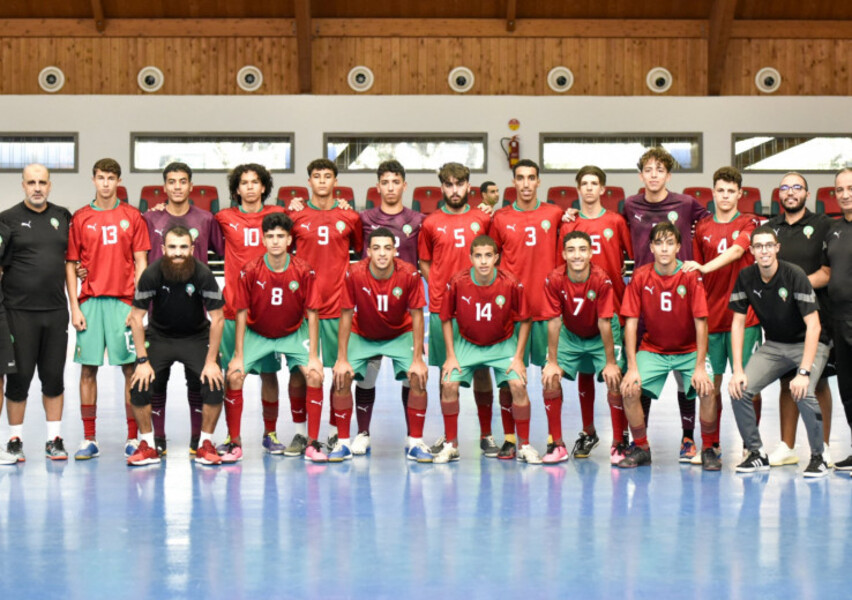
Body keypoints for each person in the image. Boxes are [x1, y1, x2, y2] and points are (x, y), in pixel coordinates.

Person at [622, 147, 711, 462]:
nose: (654, 174)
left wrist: (702, 266)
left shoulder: (686, 203)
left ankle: (689, 439)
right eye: (648, 169)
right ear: (641, 175)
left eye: (660, 169)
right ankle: (639, 444)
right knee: (637, 377)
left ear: (669, 175)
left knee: (684, 376)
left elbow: (713, 229)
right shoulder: (630, 205)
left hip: (679, 292)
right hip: (642, 293)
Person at [729, 226, 830, 478]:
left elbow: (814, 326)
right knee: (739, 389)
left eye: (768, 245)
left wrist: (804, 372)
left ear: (777, 248)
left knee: (802, 390)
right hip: (774, 344)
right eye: (758, 246)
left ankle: (819, 457)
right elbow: (738, 323)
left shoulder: (794, 275)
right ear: (751, 251)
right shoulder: (745, 277)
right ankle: (756, 454)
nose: (764, 250)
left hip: (809, 342)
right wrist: (738, 371)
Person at [66, 158, 150, 460]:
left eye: (111, 177)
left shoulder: (132, 216)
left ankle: (132, 436)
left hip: (124, 301)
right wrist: (74, 307)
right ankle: (89, 438)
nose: (105, 183)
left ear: (118, 181)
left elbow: (142, 263)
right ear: (93, 180)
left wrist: (138, 306)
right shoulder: (81, 217)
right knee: (88, 370)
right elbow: (71, 265)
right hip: (90, 302)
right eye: (100, 177)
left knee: (130, 369)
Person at [618, 222, 718, 470]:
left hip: (689, 350)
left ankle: (707, 448)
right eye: (659, 243)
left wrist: (700, 367)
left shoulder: (690, 276)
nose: (664, 249)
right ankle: (641, 447)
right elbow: (630, 323)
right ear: (651, 247)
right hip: (654, 349)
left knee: (707, 388)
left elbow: (701, 323)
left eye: (670, 243)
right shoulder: (641, 276)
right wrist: (631, 367)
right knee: (629, 388)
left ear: (678, 247)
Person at [434, 235, 541, 464]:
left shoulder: (510, 282)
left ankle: (525, 446)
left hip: (503, 344)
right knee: (448, 383)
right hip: (467, 344)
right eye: (478, 256)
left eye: (488, 256)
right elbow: (445, 318)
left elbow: (526, 319)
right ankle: (451, 445)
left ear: (496, 258)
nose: (483, 261)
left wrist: (519, 358)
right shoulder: (458, 281)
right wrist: (451, 356)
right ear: (471, 258)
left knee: (518, 385)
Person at [226, 213, 325, 461]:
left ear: (289, 239)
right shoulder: (250, 270)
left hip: (293, 332)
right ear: (263, 239)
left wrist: (313, 356)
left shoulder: (303, 270)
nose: (275, 241)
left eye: (280, 236)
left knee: (314, 374)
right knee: (234, 376)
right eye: (270, 236)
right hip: (257, 332)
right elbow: (240, 313)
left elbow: (313, 313)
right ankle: (235, 443)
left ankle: (312, 443)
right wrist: (238, 355)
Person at [143, 161, 224, 456]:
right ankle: (156, 440)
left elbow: (231, 251)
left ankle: (197, 440)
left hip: (196, 315)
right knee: (154, 383)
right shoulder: (149, 218)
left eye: (182, 181)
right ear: (164, 187)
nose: (177, 186)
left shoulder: (205, 219)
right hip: (158, 313)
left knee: (200, 381)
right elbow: (134, 255)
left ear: (191, 186)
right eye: (172, 181)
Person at [682, 166, 763, 462]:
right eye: (721, 190)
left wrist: (704, 266)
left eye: (732, 191)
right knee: (711, 386)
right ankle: (711, 445)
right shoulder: (702, 228)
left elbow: (738, 252)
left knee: (747, 385)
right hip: (712, 319)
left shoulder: (749, 222)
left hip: (746, 318)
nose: (726, 196)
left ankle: (750, 445)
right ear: (713, 192)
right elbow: (696, 273)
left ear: (740, 194)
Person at [126, 226, 225, 466]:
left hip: (196, 336)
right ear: (163, 249)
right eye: (172, 247)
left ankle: (205, 444)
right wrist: (142, 361)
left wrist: (211, 362)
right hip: (160, 336)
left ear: (192, 249)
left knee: (214, 383)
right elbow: (136, 318)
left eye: (183, 247)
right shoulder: (151, 273)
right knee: (139, 385)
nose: (178, 253)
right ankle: (149, 444)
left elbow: (218, 318)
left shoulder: (202, 274)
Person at [418, 163, 498, 457]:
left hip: (480, 307)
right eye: (448, 185)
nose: (454, 190)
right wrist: (439, 286)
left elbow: (493, 255)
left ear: (468, 186)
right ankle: (450, 437)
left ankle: (486, 434)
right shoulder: (431, 223)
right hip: (443, 309)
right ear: (442, 187)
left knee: (481, 370)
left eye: (459, 184)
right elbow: (425, 261)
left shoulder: (482, 218)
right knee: (446, 372)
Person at [332, 227, 431, 462]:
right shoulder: (354, 273)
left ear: (396, 250)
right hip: (363, 333)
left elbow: (417, 316)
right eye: (376, 248)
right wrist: (342, 358)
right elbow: (346, 314)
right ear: (368, 252)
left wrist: (418, 359)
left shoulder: (409, 274)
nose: (382, 254)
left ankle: (414, 440)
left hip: (399, 333)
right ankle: (346, 441)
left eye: (387, 248)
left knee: (417, 376)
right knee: (342, 376)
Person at [489, 159, 566, 459]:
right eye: (519, 178)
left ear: (538, 182)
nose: (525, 183)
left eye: (530, 178)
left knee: (551, 376)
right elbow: (491, 257)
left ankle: (555, 439)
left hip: (547, 310)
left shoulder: (555, 213)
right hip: (511, 313)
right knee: (511, 378)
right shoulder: (500, 217)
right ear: (513, 181)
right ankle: (510, 439)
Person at [288, 158, 363, 458]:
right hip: (303, 309)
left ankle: (333, 432)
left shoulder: (350, 217)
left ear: (336, 182)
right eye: (316, 176)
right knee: (300, 373)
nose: (321, 181)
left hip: (338, 305)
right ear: (309, 182)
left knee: (340, 374)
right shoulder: (293, 215)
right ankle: (300, 432)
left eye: (327, 176)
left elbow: (359, 250)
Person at [558, 165, 632, 459]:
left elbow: (634, 258)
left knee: (615, 373)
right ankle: (588, 433)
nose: (589, 188)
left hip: (612, 310)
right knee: (584, 373)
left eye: (594, 184)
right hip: (579, 310)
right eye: (584, 184)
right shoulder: (569, 224)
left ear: (603, 190)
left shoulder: (616, 221)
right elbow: (560, 268)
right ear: (578, 189)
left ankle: (619, 438)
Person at [350, 160, 424, 454]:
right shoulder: (364, 218)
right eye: (385, 182)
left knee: (411, 376)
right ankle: (362, 433)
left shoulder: (419, 220)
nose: (391, 187)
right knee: (367, 375)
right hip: (370, 312)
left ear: (404, 186)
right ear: (377, 187)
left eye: (396, 182)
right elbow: (355, 250)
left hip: (402, 315)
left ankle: (413, 438)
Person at [214, 163, 286, 461]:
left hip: (268, 314)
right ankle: (233, 438)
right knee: (234, 375)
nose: (250, 187)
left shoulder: (278, 216)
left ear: (264, 186)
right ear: (236, 189)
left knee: (269, 375)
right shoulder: (223, 218)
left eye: (256, 182)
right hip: (233, 310)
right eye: (244, 183)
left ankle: (270, 433)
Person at [0, 163, 71, 462]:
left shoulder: (63, 216)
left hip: (55, 312)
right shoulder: (7, 219)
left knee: (53, 377)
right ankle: (14, 440)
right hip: (19, 313)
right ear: (23, 185)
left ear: (50, 185)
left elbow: (74, 257)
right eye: (32, 182)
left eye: (42, 182)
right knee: (20, 379)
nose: (37, 187)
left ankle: (54, 438)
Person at [764, 172, 835, 467]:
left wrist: (797, 286)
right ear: (778, 194)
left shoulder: (824, 226)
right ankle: (786, 446)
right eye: (785, 187)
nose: (790, 192)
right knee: (785, 382)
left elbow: (828, 271)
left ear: (807, 193)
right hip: (782, 319)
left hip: (816, 316)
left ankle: (825, 447)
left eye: (797, 187)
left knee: (816, 383)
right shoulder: (769, 228)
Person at [542, 231, 625, 464]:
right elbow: (554, 321)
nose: (576, 255)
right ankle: (557, 445)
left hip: (601, 334)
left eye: (581, 249)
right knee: (550, 378)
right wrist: (552, 362)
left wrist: (610, 363)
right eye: (571, 250)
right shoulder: (555, 278)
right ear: (563, 254)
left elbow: (604, 322)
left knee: (614, 378)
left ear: (590, 252)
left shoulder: (601, 279)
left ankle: (618, 443)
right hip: (571, 333)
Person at [821, 168, 852, 472]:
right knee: (848, 388)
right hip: (839, 321)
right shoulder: (833, 230)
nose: (845, 194)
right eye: (840, 189)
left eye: (850, 188)